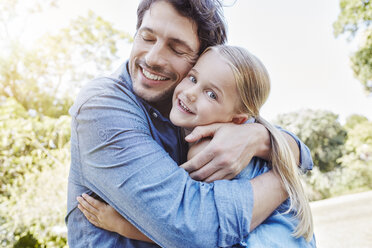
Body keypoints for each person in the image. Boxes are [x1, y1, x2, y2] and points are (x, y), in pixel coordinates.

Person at [66, 0, 314, 247]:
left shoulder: (201, 118)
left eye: (176, 49)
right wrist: (285, 176)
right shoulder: (102, 105)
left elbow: (299, 150)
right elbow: (194, 227)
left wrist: (260, 138)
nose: (152, 58)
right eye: (147, 37)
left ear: (199, 60)